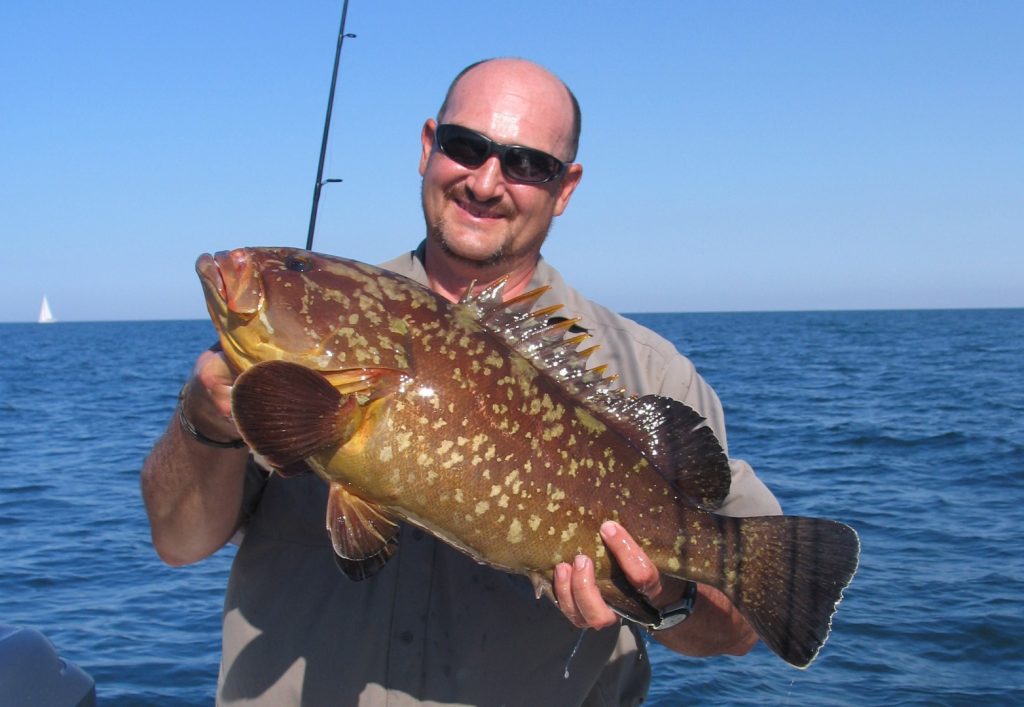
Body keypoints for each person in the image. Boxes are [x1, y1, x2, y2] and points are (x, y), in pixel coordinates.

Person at [141, 57, 782, 706]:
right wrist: (204, 421)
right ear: (428, 146)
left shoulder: (649, 372)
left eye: (527, 163)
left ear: (566, 187)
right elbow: (177, 543)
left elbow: (741, 628)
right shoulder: (277, 360)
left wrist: (668, 596)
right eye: (466, 147)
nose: (486, 181)